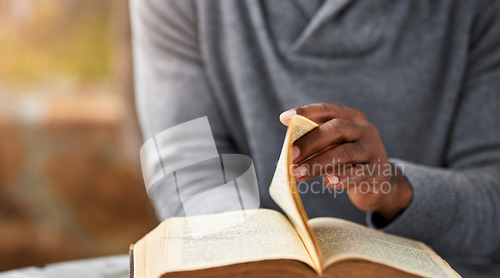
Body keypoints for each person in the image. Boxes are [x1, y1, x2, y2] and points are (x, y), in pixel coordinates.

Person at [130, 0, 500, 257]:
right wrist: (254, 258)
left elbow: (493, 196)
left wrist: (394, 190)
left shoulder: (478, 11)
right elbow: (187, 171)